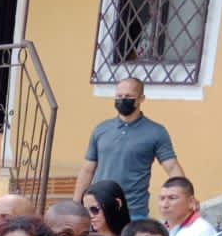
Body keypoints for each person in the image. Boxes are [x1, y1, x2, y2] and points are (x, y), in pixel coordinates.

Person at [73, 76, 184, 219]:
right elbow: (87, 170)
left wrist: (186, 196)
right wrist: (76, 205)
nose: (123, 99)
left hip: (133, 213)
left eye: (129, 96)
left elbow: (172, 168)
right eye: (119, 96)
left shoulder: (156, 132)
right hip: (98, 210)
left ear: (141, 99)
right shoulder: (101, 129)